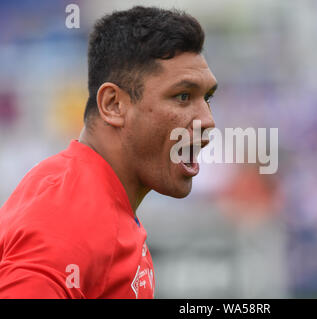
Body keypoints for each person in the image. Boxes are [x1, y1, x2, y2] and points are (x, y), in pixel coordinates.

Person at [0, 6, 217, 298]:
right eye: (182, 96)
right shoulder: (67, 223)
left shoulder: (94, 196)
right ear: (114, 105)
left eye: (207, 98)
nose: (207, 121)